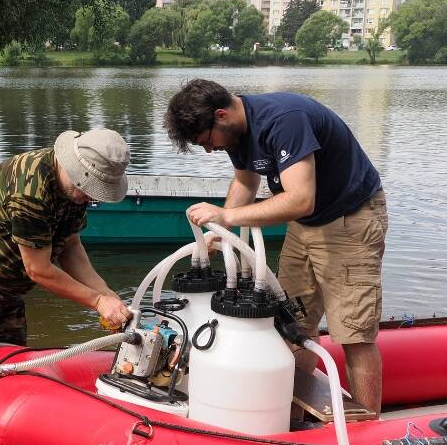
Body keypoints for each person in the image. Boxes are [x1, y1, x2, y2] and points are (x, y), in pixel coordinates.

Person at [164, 79, 388, 413]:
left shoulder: (285, 120)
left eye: (207, 141)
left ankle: (370, 437)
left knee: (354, 333)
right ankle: (293, 419)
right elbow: (245, 181)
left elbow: (300, 199)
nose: (210, 150)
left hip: (349, 220)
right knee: (293, 324)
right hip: (306, 226)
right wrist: (224, 232)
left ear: (221, 115)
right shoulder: (236, 134)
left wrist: (226, 214)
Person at [0, 129, 134, 445]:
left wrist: (108, 294)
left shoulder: (75, 192)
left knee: (8, 368)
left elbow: (70, 246)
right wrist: (97, 301)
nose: (93, 197)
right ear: (77, 170)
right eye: (91, 189)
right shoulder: (32, 190)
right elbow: (40, 270)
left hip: (4, 291)